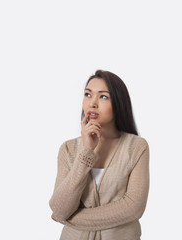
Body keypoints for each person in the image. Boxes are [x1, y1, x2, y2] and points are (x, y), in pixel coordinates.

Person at [49, 70, 149, 240]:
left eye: (103, 97)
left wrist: (70, 218)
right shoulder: (68, 149)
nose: (92, 103)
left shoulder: (136, 147)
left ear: (119, 103)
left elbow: (133, 207)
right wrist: (86, 152)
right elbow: (59, 208)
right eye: (88, 94)